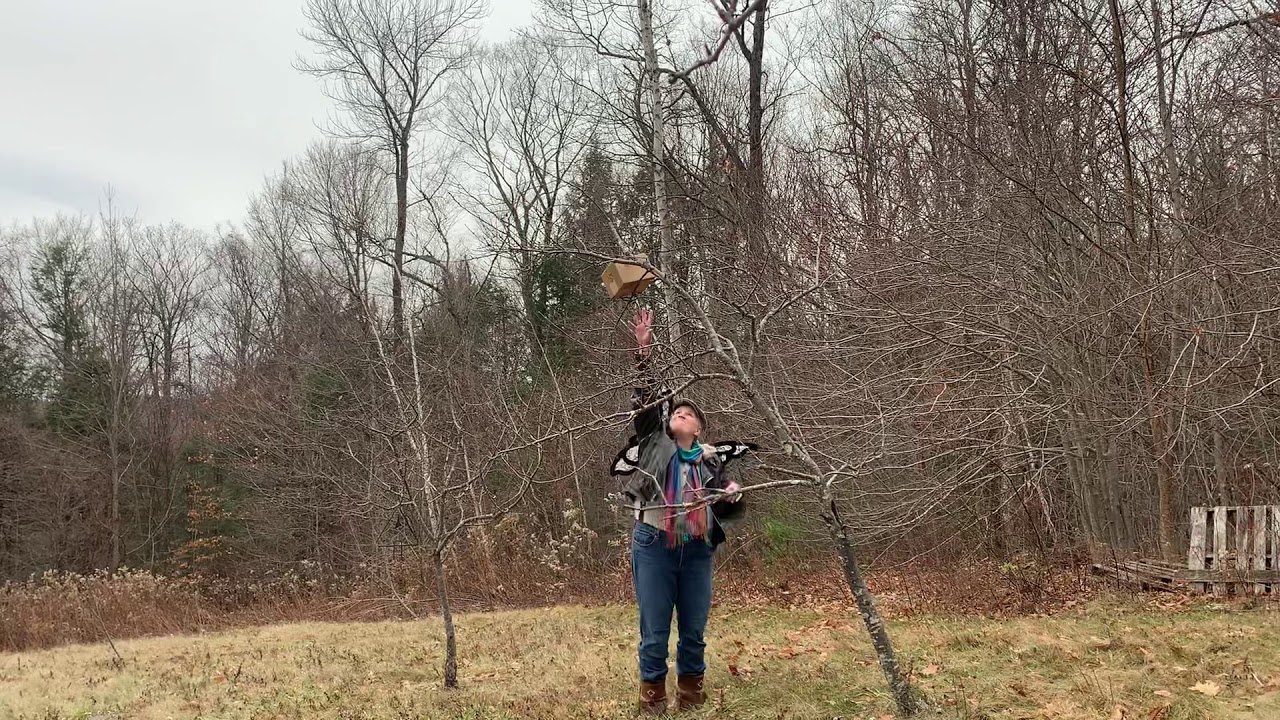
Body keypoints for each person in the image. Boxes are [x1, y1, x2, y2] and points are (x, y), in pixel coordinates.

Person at [620, 308, 746, 714]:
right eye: (676, 411)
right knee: (655, 632)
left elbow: (730, 508)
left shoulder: (711, 462)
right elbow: (646, 404)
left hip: (696, 549)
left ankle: (690, 697)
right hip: (653, 543)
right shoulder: (655, 442)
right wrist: (644, 352)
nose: (680, 415)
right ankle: (652, 700)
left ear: (699, 428)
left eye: (688, 414)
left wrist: (732, 493)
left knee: (693, 631)